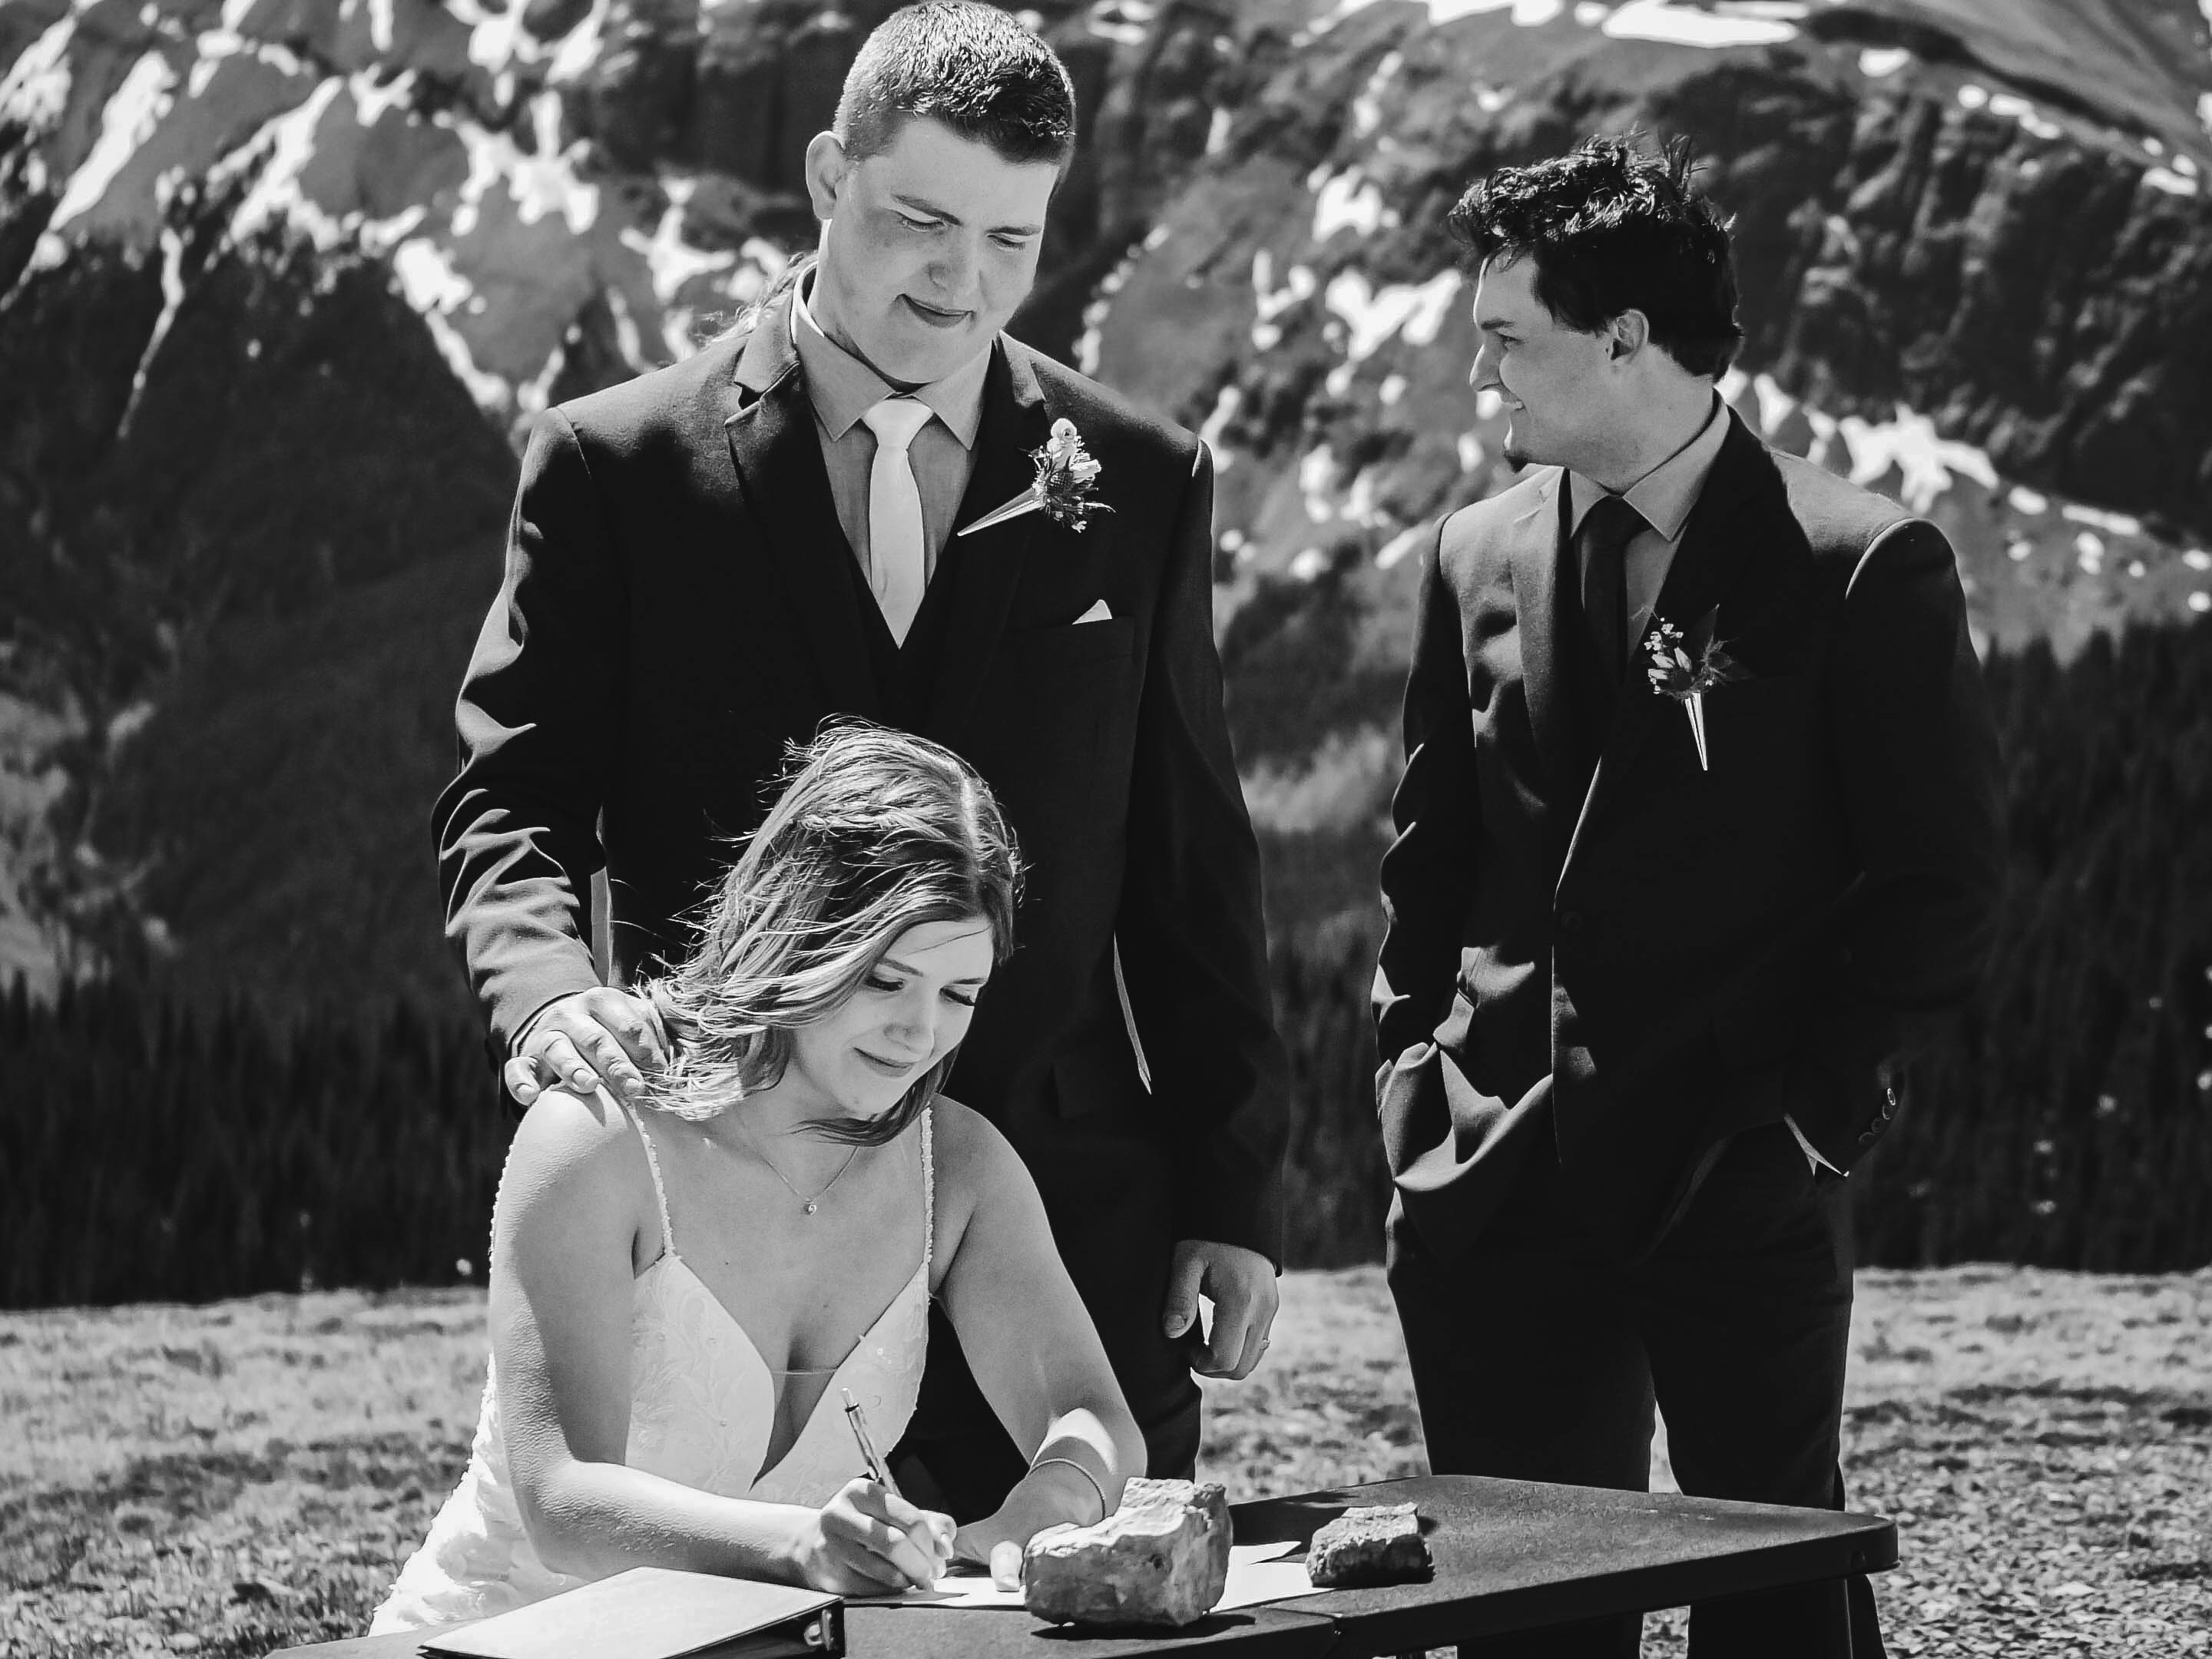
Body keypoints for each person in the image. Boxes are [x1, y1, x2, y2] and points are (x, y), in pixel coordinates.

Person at [432, 1, 1286, 1523]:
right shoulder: (616, 469)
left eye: (1012, 241)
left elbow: (1192, 865)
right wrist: (551, 995)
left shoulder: (1144, 480)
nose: (964, 283)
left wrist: (1232, 1186)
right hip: (737, 1223)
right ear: (831, 175)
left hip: (1069, 1226)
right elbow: (515, 799)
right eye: (921, 223)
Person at [1373, 136, 2005, 1657]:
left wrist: (1806, 1123)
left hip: (1739, 1172)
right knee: (1519, 1616)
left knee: (1777, 1603)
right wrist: (1410, 1082)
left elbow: (1943, 883)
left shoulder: (1861, 564)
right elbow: (1430, 860)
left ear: (1625, 338)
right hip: (1491, 1179)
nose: (1480, 375)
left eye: (1506, 337)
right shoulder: (1472, 553)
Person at [378, 726, 1145, 1628]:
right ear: (798, 932)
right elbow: (561, 1502)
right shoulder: (599, 1137)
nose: (921, 1033)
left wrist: (1045, 1504)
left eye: (959, 994)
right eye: (886, 979)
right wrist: (796, 1547)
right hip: (506, 1638)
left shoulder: (961, 1167)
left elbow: (1095, 1419)